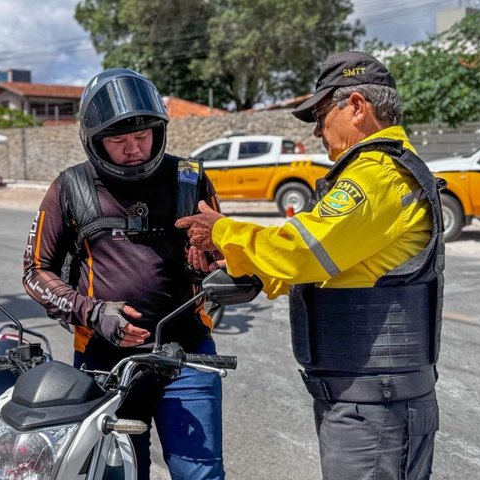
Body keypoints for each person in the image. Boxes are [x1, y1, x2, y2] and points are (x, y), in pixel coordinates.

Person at [176, 51, 444, 480]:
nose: (318, 130)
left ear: (357, 106)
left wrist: (223, 231)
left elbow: (303, 250)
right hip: (368, 400)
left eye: (321, 115)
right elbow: (326, 264)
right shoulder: (378, 172)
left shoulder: (379, 175)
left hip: (376, 406)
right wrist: (250, 267)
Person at [22, 68, 226, 479]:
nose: (133, 149)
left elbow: (224, 253)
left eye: (142, 136)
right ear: (96, 141)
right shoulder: (69, 187)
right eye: (118, 141)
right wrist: (94, 313)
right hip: (102, 361)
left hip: (186, 354)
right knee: (115, 473)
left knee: (200, 473)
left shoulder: (190, 178)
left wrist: (218, 264)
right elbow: (34, 270)